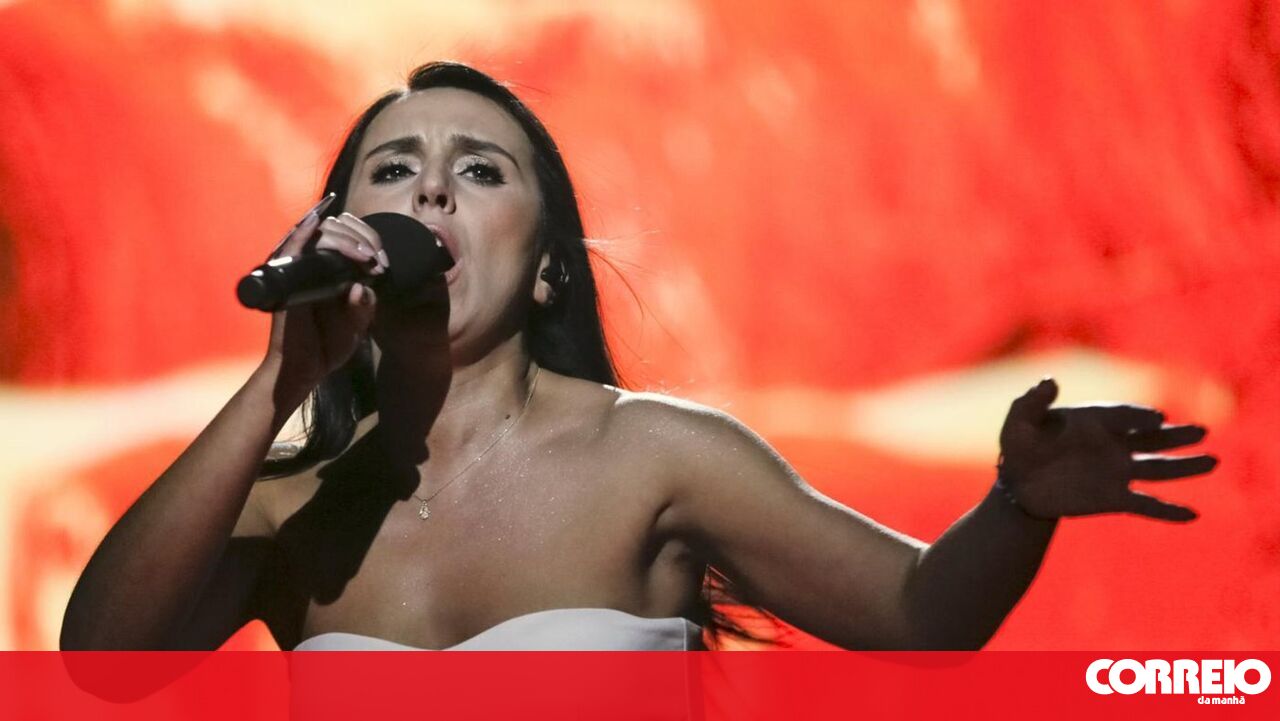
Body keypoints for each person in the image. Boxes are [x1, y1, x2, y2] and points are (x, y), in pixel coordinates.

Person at [59, 61, 1217, 652]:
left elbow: (921, 616)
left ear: (546, 269)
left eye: (479, 170)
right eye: (393, 168)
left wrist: (1016, 503)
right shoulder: (292, 506)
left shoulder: (656, 454)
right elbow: (98, 663)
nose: (429, 189)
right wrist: (278, 385)